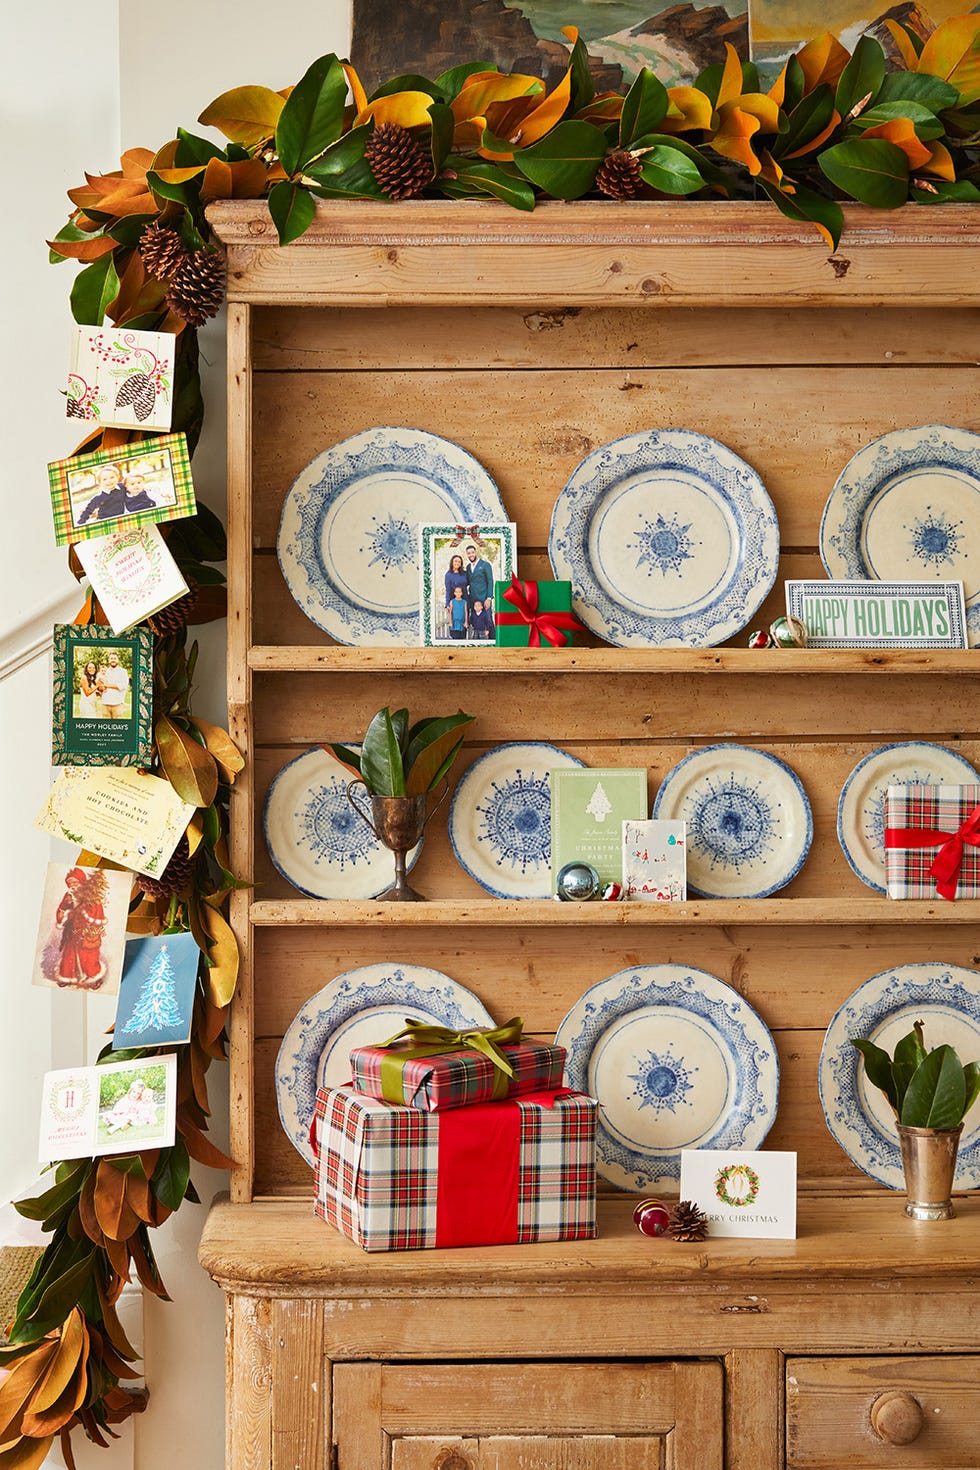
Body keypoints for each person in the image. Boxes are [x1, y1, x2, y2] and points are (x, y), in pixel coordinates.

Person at [54, 867, 107, 988]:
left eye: (75, 882)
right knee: (69, 955)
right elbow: (62, 908)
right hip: (72, 930)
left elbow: (96, 911)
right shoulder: (68, 895)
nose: (72, 885)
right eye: (69, 883)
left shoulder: (90, 894)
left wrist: (81, 914)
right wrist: (62, 914)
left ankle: (94, 978)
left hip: (88, 930)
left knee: (88, 955)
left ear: (81, 881)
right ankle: (67, 977)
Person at [464, 541, 494, 624]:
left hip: (484, 598)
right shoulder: (468, 567)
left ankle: (492, 637)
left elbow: (490, 581)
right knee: (476, 623)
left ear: (476, 552)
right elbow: (468, 582)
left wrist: (489, 598)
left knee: (488, 621)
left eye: (472, 552)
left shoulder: (485, 565)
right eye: (468, 553)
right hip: (473, 599)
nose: (471, 555)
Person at [98, 650, 129, 719]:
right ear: (109, 660)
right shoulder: (105, 671)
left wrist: (108, 685)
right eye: (111, 658)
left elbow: (123, 686)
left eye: (115, 658)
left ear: (118, 660)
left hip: (117, 704)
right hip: (105, 703)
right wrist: (101, 688)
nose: (113, 660)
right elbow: (100, 685)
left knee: (117, 726)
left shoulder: (123, 672)